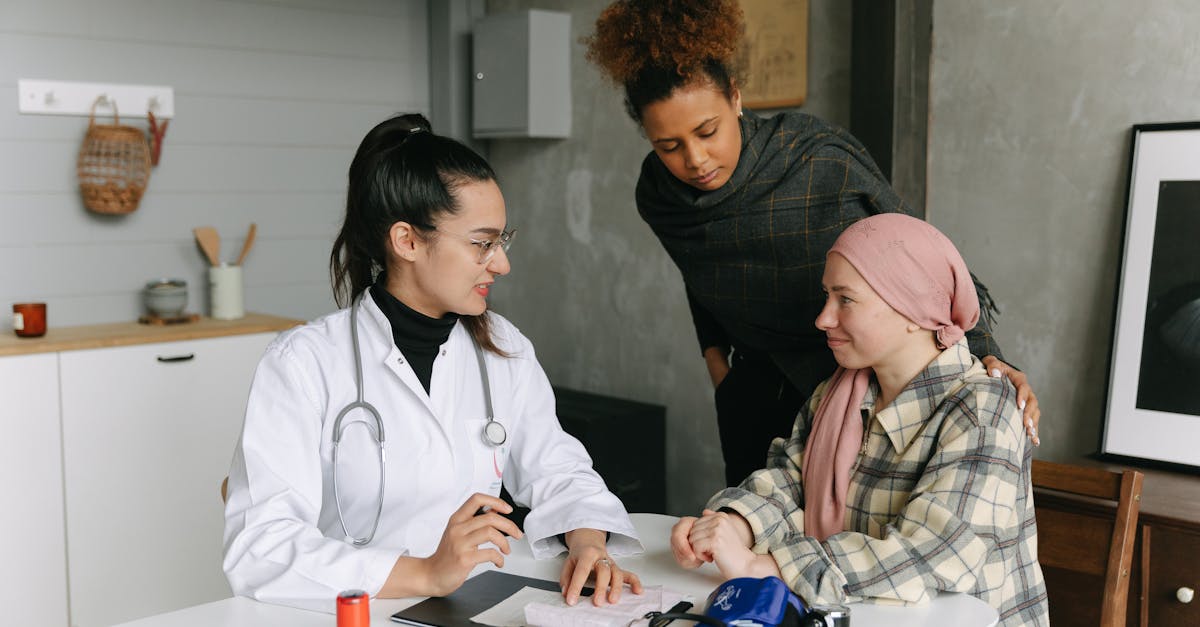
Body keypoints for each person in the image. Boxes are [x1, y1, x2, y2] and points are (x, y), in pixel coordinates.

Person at [585, 0, 1040, 487]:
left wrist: (990, 355)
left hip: (856, 380)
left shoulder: (816, 160)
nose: (695, 159)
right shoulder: (658, 194)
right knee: (751, 533)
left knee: (845, 541)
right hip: (755, 393)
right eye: (668, 146)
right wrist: (718, 366)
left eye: (708, 131)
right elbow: (699, 277)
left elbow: (924, 257)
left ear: (736, 98)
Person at [222, 114, 643, 610]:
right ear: (407, 241)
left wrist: (589, 542)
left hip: (478, 606)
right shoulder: (303, 363)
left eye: (502, 241)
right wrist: (425, 573)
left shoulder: (502, 348)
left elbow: (559, 468)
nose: (501, 263)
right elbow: (259, 548)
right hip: (357, 611)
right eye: (482, 243)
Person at [669, 213, 1049, 626]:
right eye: (826, 296)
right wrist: (731, 525)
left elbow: (935, 557)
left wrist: (765, 566)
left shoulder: (981, 412)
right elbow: (786, 482)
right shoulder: (836, 393)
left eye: (844, 299)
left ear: (912, 309)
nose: (823, 318)